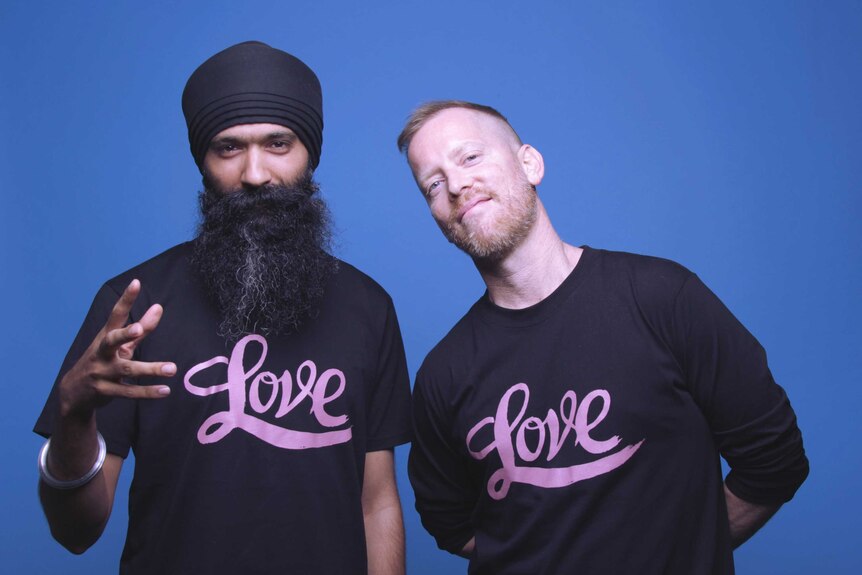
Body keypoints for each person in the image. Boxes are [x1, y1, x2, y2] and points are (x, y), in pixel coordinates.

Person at [34, 41, 411, 575]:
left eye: (278, 143)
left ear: (310, 155)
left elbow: (376, 503)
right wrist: (73, 415)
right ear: (203, 162)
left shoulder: (368, 308)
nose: (255, 174)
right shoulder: (132, 307)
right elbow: (76, 532)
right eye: (228, 148)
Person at [396, 100, 808, 574]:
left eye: (470, 157)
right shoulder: (443, 374)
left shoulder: (662, 298)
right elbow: (451, 524)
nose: (456, 185)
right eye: (432, 183)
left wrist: (691, 551)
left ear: (529, 163)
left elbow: (775, 460)